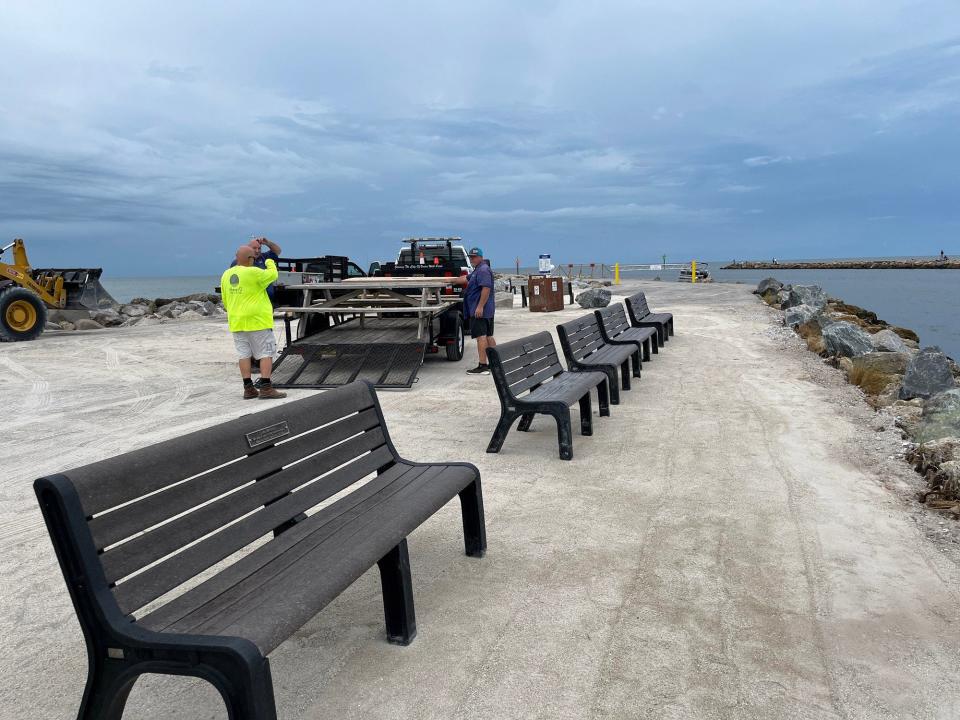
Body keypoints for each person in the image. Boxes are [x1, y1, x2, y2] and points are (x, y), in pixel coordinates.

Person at [220, 245, 287, 400]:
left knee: (243, 355)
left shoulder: (226, 274)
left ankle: (248, 388)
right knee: (266, 353)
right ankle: (266, 387)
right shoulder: (254, 272)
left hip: (237, 321)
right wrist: (270, 261)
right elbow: (273, 275)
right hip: (257, 321)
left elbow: (224, 298)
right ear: (251, 259)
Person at [456, 246, 497, 375]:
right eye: (471, 257)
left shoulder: (483, 270)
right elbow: (465, 279)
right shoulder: (477, 270)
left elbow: (486, 288)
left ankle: (483, 366)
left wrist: (479, 307)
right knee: (489, 336)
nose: (472, 259)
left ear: (481, 257)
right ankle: (496, 363)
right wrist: (448, 280)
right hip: (487, 310)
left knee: (481, 337)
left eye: (474, 257)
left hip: (481, 310)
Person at [231, 236, 282, 302]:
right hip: (250, 299)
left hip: (267, 300)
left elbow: (278, 251)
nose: (257, 251)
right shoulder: (239, 261)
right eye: (254, 248)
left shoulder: (264, 257)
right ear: (248, 249)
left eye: (259, 248)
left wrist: (268, 243)